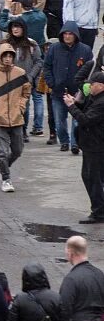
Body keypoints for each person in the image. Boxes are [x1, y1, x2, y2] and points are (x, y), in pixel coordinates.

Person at [0, 43, 31, 193]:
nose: (8, 59)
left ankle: (4, 165)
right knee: (3, 151)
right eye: (5, 56)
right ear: (0, 57)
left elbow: (26, 92)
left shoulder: (20, 73)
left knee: (17, 150)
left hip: (17, 118)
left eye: (10, 56)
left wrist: (21, 107)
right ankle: (6, 178)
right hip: (0, 119)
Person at [73, 71, 104, 223]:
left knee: (93, 178)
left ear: (101, 86)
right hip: (91, 144)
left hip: (96, 145)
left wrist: (71, 106)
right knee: (91, 177)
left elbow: (86, 120)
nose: (90, 86)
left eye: (93, 84)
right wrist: (76, 104)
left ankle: (98, 211)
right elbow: (85, 112)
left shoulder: (101, 102)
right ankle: (98, 209)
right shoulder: (95, 98)